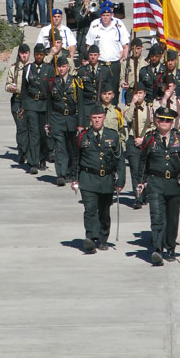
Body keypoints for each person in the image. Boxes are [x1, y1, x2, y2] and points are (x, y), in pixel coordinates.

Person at [137, 106, 180, 265]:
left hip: (173, 183)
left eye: (168, 120)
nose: (164, 123)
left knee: (172, 218)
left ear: (172, 122)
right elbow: (143, 161)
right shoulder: (150, 138)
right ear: (156, 121)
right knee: (157, 217)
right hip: (155, 182)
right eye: (161, 120)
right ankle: (157, 249)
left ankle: (171, 246)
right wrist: (140, 181)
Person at [72, 104, 124, 253]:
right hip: (88, 178)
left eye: (99, 118)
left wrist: (120, 181)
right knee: (89, 209)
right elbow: (76, 159)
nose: (96, 121)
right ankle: (90, 238)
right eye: (94, 118)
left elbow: (120, 159)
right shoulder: (83, 136)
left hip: (106, 178)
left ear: (104, 118)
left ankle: (102, 239)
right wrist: (75, 179)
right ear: (90, 119)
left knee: (104, 211)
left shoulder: (113, 135)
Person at [48, 55, 84, 185]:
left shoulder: (76, 82)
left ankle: (72, 173)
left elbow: (80, 104)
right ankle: (61, 174)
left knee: (72, 148)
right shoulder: (53, 82)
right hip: (57, 118)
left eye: (63, 66)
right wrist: (49, 122)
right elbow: (49, 103)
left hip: (72, 118)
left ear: (68, 67)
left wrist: (80, 124)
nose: (61, 69)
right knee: (60, 147)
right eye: (59, 66)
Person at [85, 0, 130, 103]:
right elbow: (89, 46)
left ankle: (113, 112)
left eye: (107, 15)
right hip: (100, 63)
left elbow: (125, 45)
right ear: (100, 15)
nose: (105, 17)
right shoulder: (95, 25)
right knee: (98, 89)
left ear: (111, 15)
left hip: (114, 65)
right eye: (103, 15)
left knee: (113, 90)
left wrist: (124, 59)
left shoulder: (119, 25)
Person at [18, 43, 52, 174]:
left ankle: (43, 158)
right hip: (31, 103)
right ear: (34, 55)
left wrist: (51, 108)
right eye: (37, 54)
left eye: (41, 54)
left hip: (44, 104)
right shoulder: (28, 69)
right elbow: (24, 89)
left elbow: (50, 91)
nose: (39, 57)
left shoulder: (49, 69)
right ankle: (33, 162)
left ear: (44, 55)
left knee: (43, 134)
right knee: (34, 134)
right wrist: (22, 107)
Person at [124, 81, 153, 208]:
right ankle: (138, 197)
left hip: (145, 142)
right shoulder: (130, 107)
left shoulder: (150, 109)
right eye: (136, 93)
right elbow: (128, 119)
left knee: (144, 170)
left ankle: (145, 194)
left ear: (145, 94)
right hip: (132, 140)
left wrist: (143, 138)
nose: (138, 96)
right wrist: (132, 103)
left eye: (140, 93)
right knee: (135, 170)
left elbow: (152, 127)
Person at [6, 43, 31, 164]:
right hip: (17, 100)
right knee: (21, 127)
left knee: (31, 127)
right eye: (22, 53)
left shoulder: (32, 68)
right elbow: (7, 85)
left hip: (30, 101)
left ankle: (30, 151)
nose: (24, 56)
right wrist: (10, 87)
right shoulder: (13, 68)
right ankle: (22, 152)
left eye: (26, 53)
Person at [77, 45, 115, 124]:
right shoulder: (82, 71)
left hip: (101, 103)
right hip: (87, 104)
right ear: (88, 55)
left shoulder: (105, 70)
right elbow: (80, 93)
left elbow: (110, 89)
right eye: (91, 55)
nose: (93, 57)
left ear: (99, 55)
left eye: (95, 55)